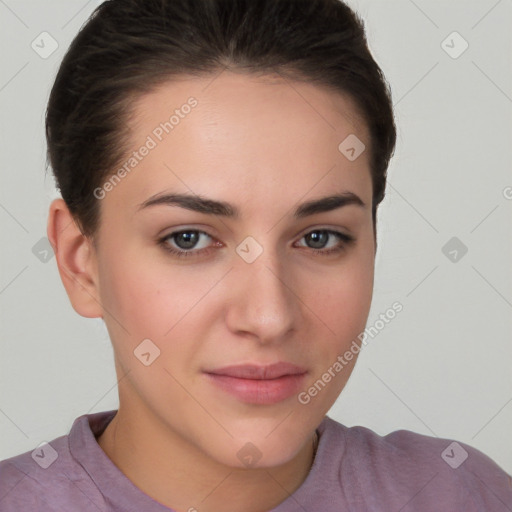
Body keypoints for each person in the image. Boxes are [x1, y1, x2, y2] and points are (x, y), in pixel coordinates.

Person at [1, 0, 511, 510]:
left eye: (320, 238)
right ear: (78, 261)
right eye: (189, 239)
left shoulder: (462, 495)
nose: (269, 317)